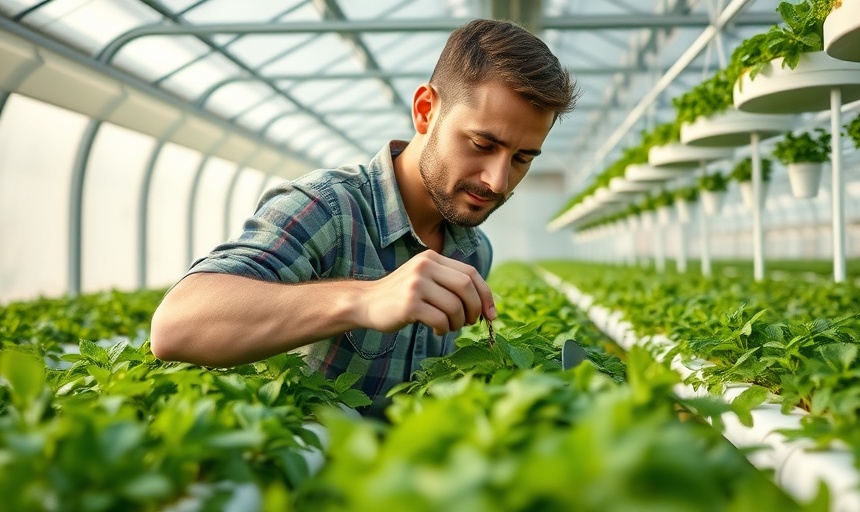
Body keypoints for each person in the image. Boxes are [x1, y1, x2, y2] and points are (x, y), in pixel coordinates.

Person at [150, 18, 579, 416]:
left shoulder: (472, 248)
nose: (498, 181)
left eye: (522, 158)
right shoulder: (327, 209)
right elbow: (176, 325)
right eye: (482, 144)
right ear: (426, 110)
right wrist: (364, 300)